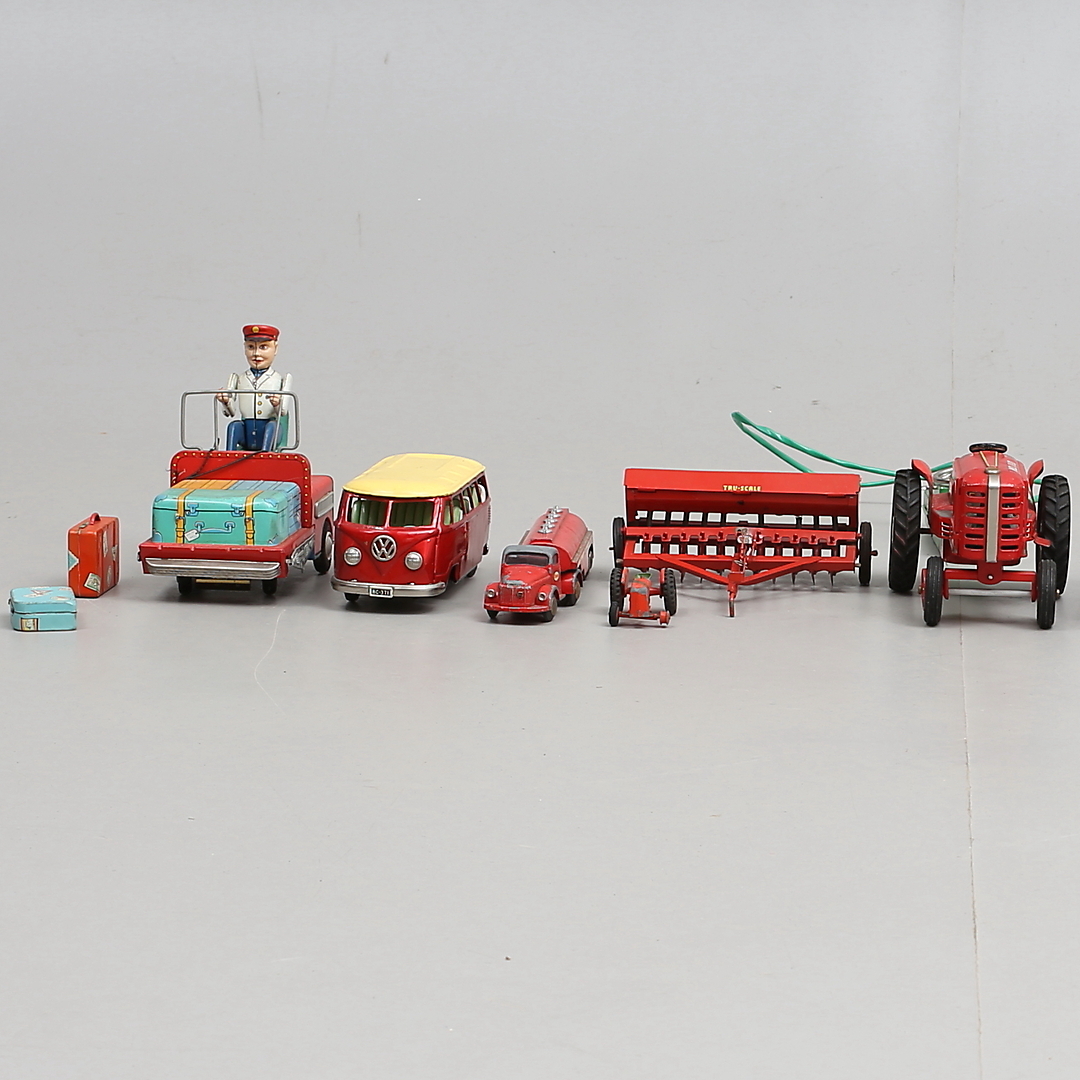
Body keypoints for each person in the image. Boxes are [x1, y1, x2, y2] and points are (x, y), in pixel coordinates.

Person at [217, 324, 293, 451]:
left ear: (275, 349)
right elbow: (230, 413)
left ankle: (265, 455)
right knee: (234, 426)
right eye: (251, 347)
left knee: (272, 427)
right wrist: (225, 401)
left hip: (268, 427)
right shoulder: (239, 378)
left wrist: (277, 404)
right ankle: (229, 456)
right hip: (247, 428)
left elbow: (283, 411)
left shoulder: (280, 380)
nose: (256, 354)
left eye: (263, 347)